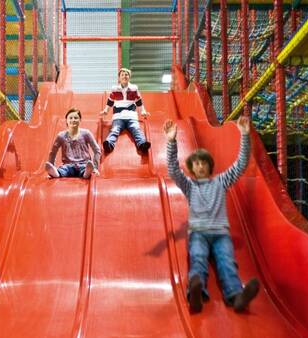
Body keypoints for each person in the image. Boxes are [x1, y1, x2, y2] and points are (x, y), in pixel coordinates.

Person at [163, 116, 259, 313]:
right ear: (191, 168)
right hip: (198, 232)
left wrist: (245, 135)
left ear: (209, 165)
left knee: (227, 261)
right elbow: (173, 170)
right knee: (198, 259)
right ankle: (196, 292)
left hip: (221, 234)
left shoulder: (220, 181)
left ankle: (236, 296)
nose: (200, 166)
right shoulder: (189, 185)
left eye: (203, 163)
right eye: (196, 164)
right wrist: (171, 141)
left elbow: (240, 165)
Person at [100, 68, 151, 154]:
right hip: (118, 116)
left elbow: (139, 101)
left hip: (131, 116)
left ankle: (142, 144)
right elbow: (110, 101)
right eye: (122, 75)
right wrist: (105, 110)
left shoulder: (134, 88)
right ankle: (109, 144)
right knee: (115, 129)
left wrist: (143, 111)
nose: (124, 76)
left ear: (129, 77)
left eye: (126, 74)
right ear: (119, 78)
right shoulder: (115, 89)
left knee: (136, 129)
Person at [45, 108, 101, 179]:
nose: (73, 120)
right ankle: (55, 173)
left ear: (80, 120)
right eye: (70, 118)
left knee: (85, 168)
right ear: (67, 121)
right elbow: (53, 152)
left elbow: (97, 150)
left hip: (84, 164)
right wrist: (51, 165)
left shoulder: (86, 133)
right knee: (63, 170)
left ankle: (87, 173)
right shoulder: (61, 136)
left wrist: (95, 167)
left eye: (76, 118)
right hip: (68, 165)